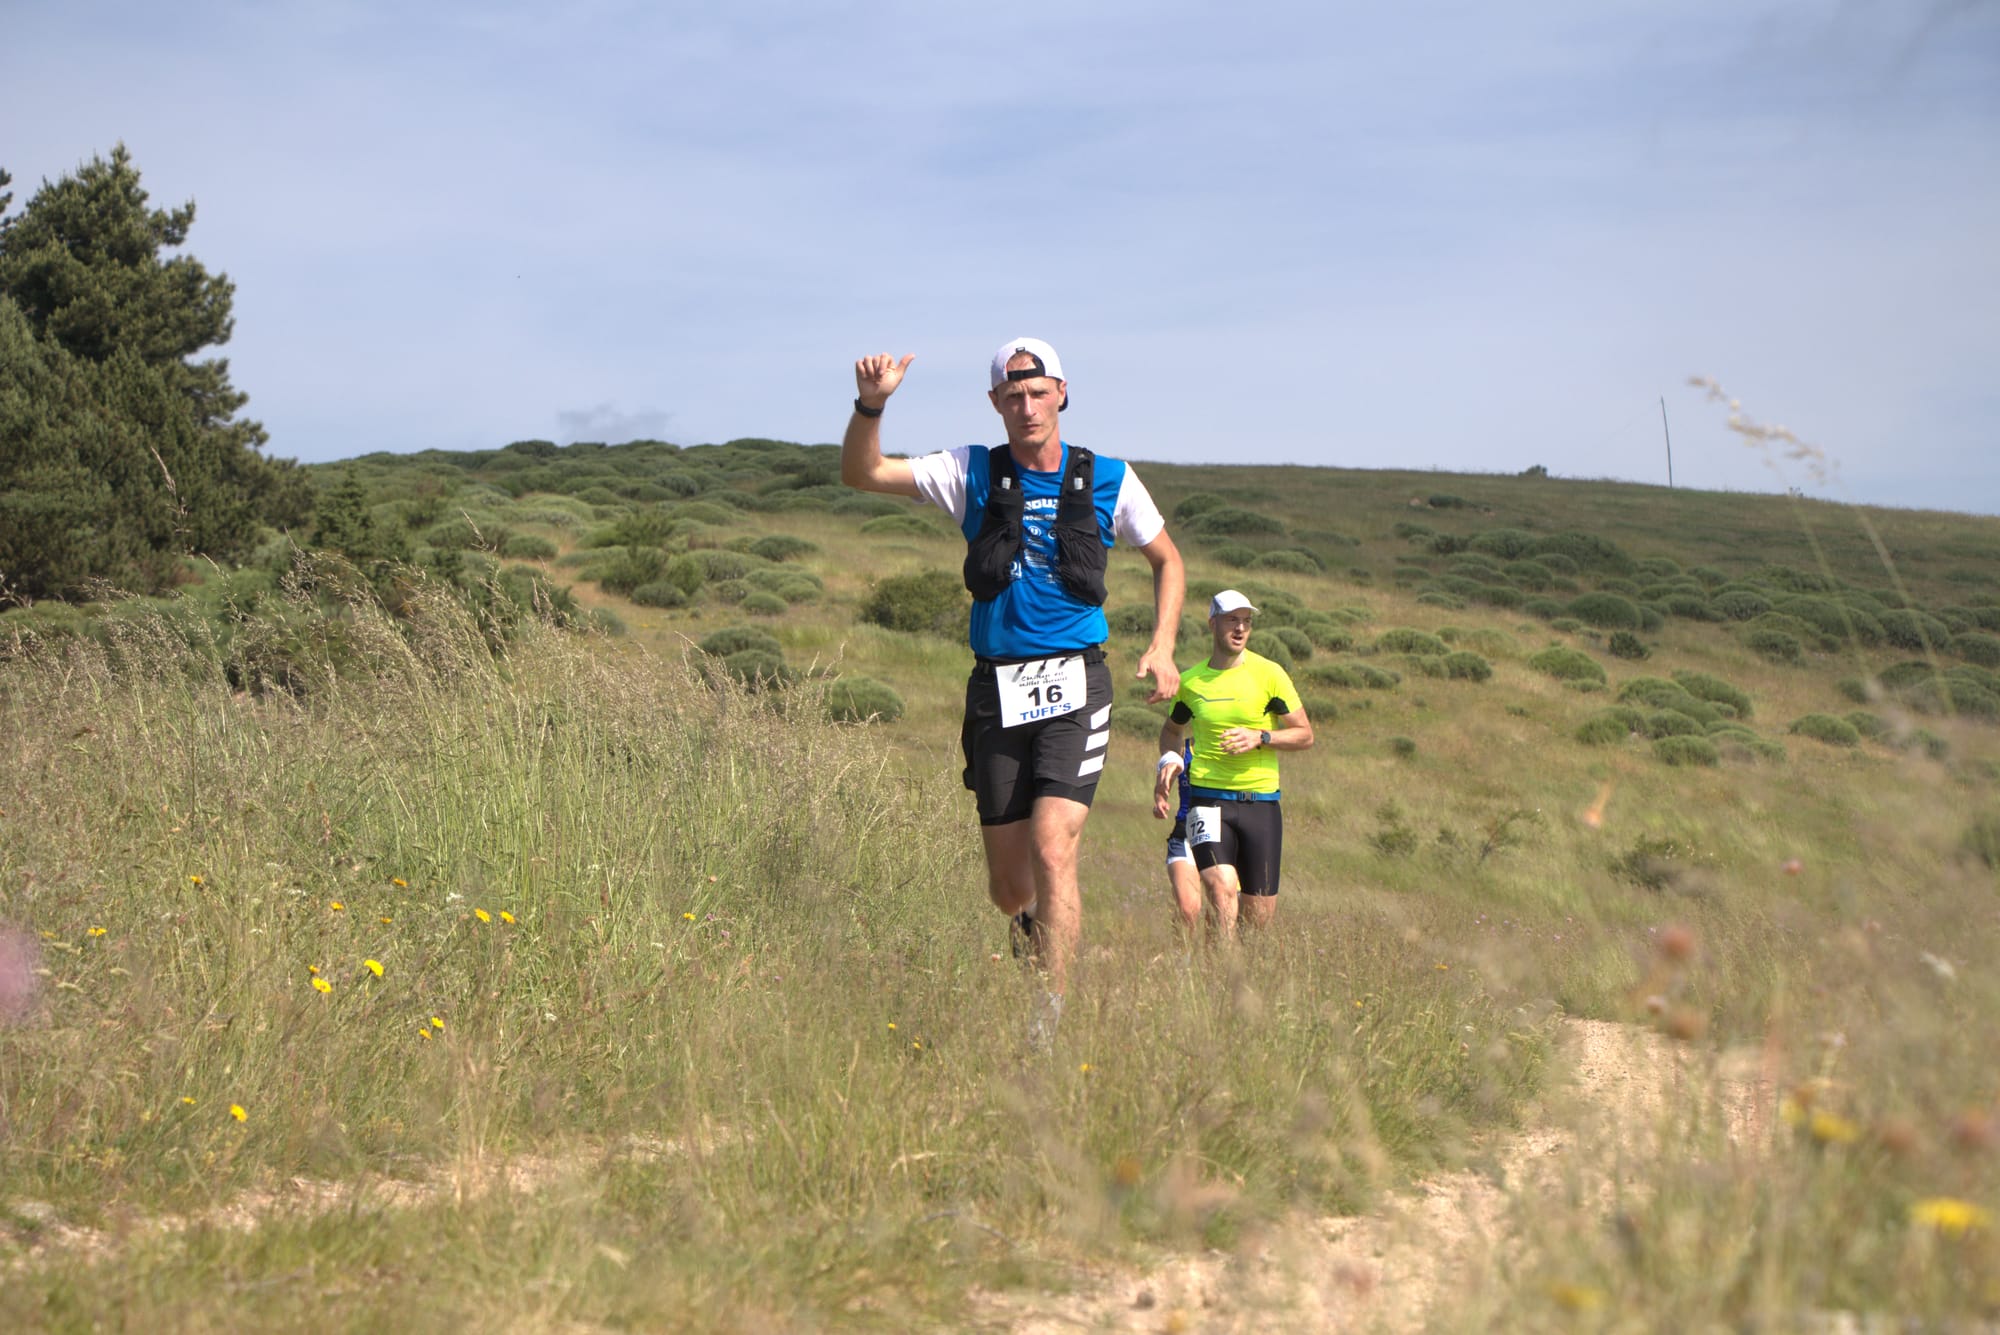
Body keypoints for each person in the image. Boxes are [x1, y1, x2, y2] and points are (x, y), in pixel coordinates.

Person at [841, 338, 1185, 1034]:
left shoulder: (1110, 477)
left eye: (1038, 392)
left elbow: (1166, 558)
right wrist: (870, 405)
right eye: (1012, 395)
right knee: (1008, 887)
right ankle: (1032, 927)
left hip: (1076, 683)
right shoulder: (970, 469)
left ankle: (1048, 1027)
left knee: (1054, 844)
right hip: (997, 689)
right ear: (996, 403)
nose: (1026, 406)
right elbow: (864, 472)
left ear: (1062, 392)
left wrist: (1162, 645)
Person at [1153, 590, 1313, 938]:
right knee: (1222, 890)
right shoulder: (1191, 681)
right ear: (1213, 624)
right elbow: (1171, 731)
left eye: (1246, 622)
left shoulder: (1270, 675)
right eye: (1232, 620)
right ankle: (1220, 982)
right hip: (1207, 801)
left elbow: (1305, 735)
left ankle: (1228, 971)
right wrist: (1169, 759)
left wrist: (1263, 737)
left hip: (1262, 805)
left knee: (1258, 920)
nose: (1240, 629)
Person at [1163, 740, 1202, 935]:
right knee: (1188, 909)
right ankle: (1181, 960)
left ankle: (1212, 961)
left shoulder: (1232, 744)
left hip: (1225, 835)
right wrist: (1160, 800)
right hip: (1184, 833)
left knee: (1221, 909)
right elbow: (1163, 785)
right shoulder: (1182, 748)